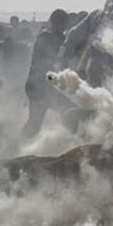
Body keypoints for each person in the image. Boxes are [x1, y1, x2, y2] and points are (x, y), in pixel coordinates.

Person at [22, 9, 74, 138]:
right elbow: (46, 61)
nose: (65, 27)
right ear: (56, 22)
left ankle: (17, 146)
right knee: (69, 110)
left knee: (35, 122)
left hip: (41, 85)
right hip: (39, 86)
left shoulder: (58, 37)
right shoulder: (46, 37)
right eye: (63, 23)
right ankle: (16, 149)